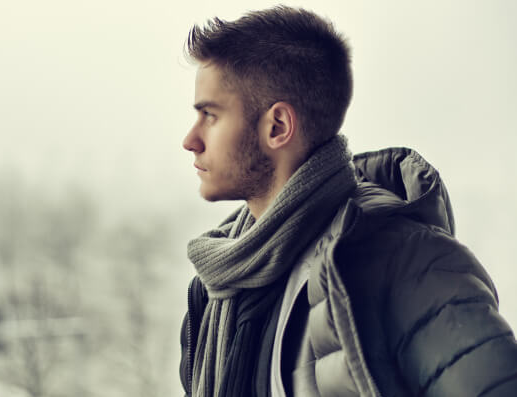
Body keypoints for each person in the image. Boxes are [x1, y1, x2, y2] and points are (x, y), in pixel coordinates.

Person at [179, 5, 517, 397]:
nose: (190, 139)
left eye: (210, 115)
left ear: (277, 126)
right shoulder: (218, 284)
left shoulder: (408, 263)